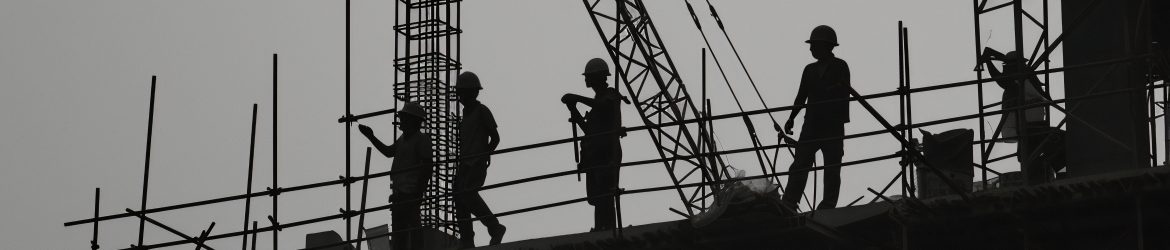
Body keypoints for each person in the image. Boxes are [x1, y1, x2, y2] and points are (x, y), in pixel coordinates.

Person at [781, 25, 851, 211]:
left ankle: (827, 206)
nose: (811, 48)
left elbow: (844, 91)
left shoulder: (840, 66)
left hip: (832, 125)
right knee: (800, 164)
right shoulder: (809, 70)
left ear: (825, 46)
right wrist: (792, 117)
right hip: (812, 124)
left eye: (814, 45)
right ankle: (789, 202)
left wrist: (827, 92)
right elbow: (801, 95)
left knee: (832, 168)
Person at [979, 48, 1065, 185]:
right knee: (1057, 139)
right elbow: (1000, 79)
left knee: (1046, 148)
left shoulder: (1023, 80)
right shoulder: (1015, 83)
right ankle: (1058, 174)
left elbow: (1002, 79)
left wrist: (989, 59)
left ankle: (1056, 173)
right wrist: (989, 61)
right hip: (1024, 128)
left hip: (1032, 128)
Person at [357, 102, 432, 250]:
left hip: (410, 193)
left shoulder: (421, 139)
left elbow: (427, 168)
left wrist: (418, 193)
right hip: (398, 194)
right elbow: (388, 152)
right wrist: (371, 136)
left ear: (412, 120)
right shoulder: (403, 139)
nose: (400, 120)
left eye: (403, 118)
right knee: (399, 234)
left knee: (413, 230)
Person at [562, 58, 624, 231]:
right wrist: (574, 110)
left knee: (606, 194)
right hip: (595, 154)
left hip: (608, 152)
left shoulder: (611, 95)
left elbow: (604, 106)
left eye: (588, 76)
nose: (586, 79)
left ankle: (608, 229)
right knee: (597, 197)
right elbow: (589, 130)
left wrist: (577, 98)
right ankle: (600, 229)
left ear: (597, 77)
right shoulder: (597, 101)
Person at [452, 72, 506, 248]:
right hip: (464, 164)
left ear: (472, 93)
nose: (460, 97)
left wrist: (484, 155)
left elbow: (495, 138)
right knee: (459, 197)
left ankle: (494, 227)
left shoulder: (482, 111)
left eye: (462, 92)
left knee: (468, 194)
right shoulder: (465, 115)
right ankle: (467, 238)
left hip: (476, 163)